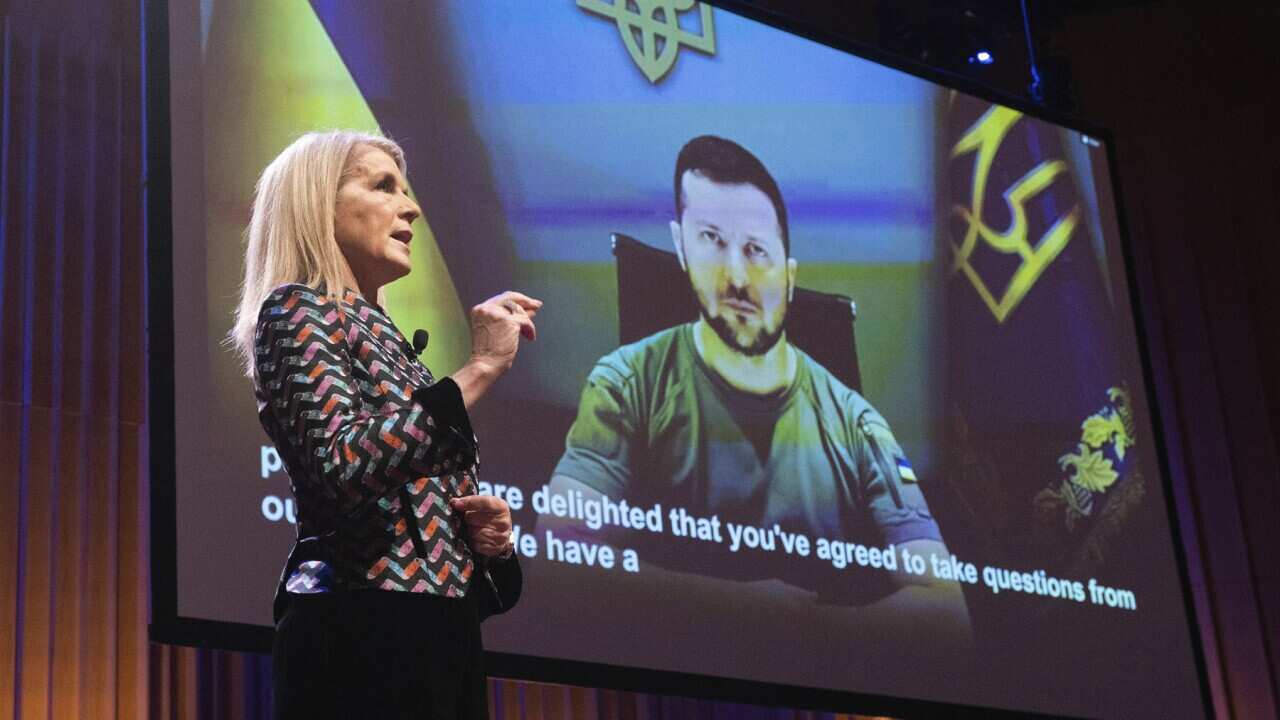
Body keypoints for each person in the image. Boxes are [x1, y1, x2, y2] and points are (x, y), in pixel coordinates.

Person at [550, 135, 967, 620]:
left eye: (756, 250)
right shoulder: (626, 383)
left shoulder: (860, 426)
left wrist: (803, 628)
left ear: (788, 276)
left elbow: (947, 610)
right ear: (681, 247)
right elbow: (560, 558)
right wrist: (751, 607)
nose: (737, 277)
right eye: (712, 240)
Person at [228, 130, 541, 719]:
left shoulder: (399, 350)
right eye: (383, 186)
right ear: (318, 205)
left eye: (406, 189)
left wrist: (492, 546)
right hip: (360, 633)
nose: (411, 207)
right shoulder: (297, 309)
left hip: (442, 640)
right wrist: (480, 367)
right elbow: (341, 463)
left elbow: (431, 541)